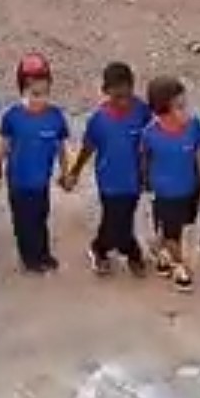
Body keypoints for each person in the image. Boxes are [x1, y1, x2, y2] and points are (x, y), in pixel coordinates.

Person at [63, 62, 151, 276]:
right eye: (117, 96)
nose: (123, 102)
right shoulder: (98, 121)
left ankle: (104, 247)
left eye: (127, 95)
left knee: (124, 217)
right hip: (109, 181)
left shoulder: (142, 112)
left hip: (134, 181)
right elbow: (88, 148)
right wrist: (74, 172)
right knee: (115, 219)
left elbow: (152, 143)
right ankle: (128, 251)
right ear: (106, 92)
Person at [0, 54, 72, 275]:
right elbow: (5, 145)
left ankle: (43, 253)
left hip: (41, 183)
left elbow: (61, 149)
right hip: (18, 183)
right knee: (23, 222)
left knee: (40, 217)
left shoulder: (55, 117)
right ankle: (29, 257)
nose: (40, 99)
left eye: (45, 93)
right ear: (23, 92)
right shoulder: (12, 117)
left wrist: (66, 173)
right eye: (34, 94)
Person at [141, 76, 200, 292]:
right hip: (165, 194)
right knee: (173, 234)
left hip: (190, 189)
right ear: (162, 111)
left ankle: (161, 253)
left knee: (183, 227)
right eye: (179, 107)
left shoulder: (193, 126)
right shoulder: (150, 135)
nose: (185, 111)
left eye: (184, 105)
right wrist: (147, 189)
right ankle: (180, 266)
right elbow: (145, 162)